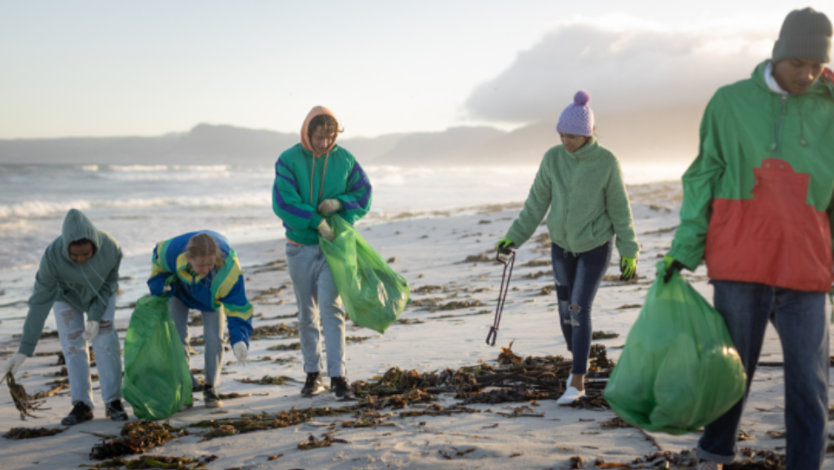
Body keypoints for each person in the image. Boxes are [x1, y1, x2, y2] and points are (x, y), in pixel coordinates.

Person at [662, 8, 833, 470]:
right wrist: (684, 248)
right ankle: (713, 454)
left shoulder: (830, 108)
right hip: (741, 264)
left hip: (807, 269)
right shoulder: (730, 102)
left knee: (811, 384)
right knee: (731, 375)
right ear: (777, 54)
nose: (808, 74)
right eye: (799, 63)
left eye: (817, 65)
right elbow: (704, 177)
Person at [496, 91, 639, 406]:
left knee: (577, 308)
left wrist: (629, 251)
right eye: (561, 134)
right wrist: (513, 238)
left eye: (571, 136)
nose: (565, 141)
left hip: (595, 246)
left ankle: (577, 381)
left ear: (587, 134)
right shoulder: (553, 159)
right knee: (564, 313)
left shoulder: (606, 162)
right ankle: (581, 359)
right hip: (561, 245)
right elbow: (535, 204)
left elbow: (620, 209)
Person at [272, 105, 372, 399]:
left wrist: (339, 204)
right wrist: (317, 221)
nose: (324, 143)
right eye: (319, 137)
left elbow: (364, 194)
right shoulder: (288, 160)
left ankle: (339, 376)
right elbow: (283, 202)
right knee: (307, 313)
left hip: (334, 248)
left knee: (332, 309)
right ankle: (312, 374)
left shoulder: (345, 159)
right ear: (307, 132)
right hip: (300, 247)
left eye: (329, 137)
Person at [1, 209, 127, 425]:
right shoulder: (52, 257)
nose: (80, 260)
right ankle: (82, 405)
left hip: (101, 295)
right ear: (65, 247)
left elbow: (109, 285)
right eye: (74, 255)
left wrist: (95, 317)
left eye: (86, 254)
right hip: (66, 297)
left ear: (94, 246)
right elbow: (39, 302)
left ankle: (113, 402)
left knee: (105, 341)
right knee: (71, 344)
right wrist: (25, 348)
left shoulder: (111, 248)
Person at [147, 230, 253, 408]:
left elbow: (238, 307)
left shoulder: (229, 269)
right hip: (179, 291)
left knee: (215, 339)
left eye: (209, 264)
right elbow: (157, 270)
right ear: (188, 258)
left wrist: (240, 339)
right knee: (176, 338)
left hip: (211, 296)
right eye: (200, 265)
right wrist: (162, 287)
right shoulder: (170, 252)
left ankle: (211, 389)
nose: (205, 269)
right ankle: (185, 385)